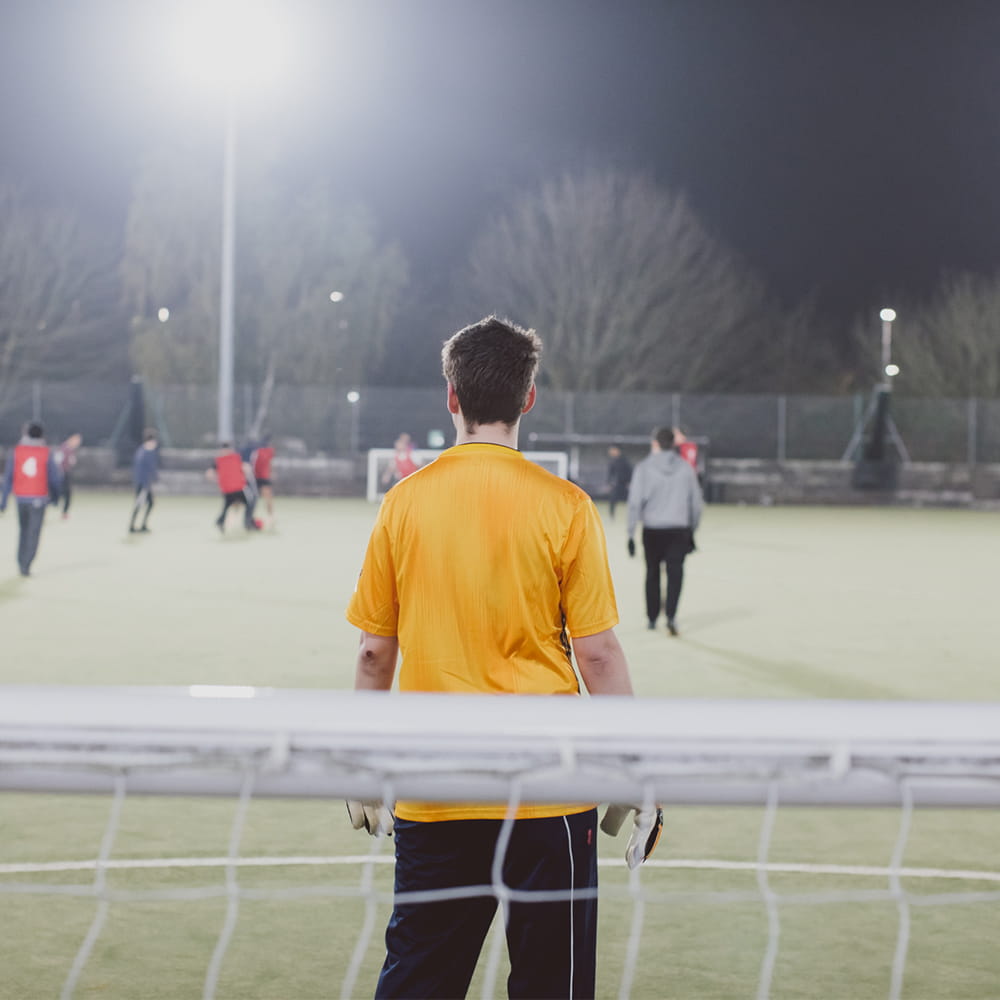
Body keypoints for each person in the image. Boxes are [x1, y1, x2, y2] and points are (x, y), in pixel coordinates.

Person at [346, 315, 649, 1000]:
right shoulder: (566, 506)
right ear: (529, 398)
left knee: (419, 981)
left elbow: (373, 653)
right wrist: (634, 760)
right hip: (549, 790)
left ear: (451, 398)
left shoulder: (404, 502)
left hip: (437, 785)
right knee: (553, 988)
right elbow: (597, 654)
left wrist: (363, 761)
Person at [626, 426, 703, 636]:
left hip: (652, 529)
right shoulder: (686, 469)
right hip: (679, 529)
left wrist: (631, 533)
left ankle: (652, 618)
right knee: (675, 573)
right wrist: (692, 530)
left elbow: (634, 503)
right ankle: (671, 615)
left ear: (656, 442)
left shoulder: (644, 468)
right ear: (674, 443)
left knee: (652, 573)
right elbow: (696, 503)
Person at [0, 422, 62, 576]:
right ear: (41, 435)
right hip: (38, 499)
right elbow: (54, 478)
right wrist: (55, 497)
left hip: (21, 498)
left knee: (23, 531)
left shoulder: (17, 451)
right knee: (34, 533)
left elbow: (8, 478)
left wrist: (4, 501)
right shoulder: (46, 452)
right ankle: (26, 564)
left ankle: (21, 561)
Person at [207, 442, 259, 533]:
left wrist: (219, 481)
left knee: (227, 506)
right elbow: (247, 469)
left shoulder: (218, 461)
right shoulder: (236, 458)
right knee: (250, 502)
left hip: (227, 490)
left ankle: (220, 521)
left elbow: (209, 474)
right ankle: (247, 522)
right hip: (239, 488)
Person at [129, 428, 160, 534]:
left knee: (150, 503)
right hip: (142, 485)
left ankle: (143, 525)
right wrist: (144, 484)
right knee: (139, 504)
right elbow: (140, 471)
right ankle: (132, 526)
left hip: (146, 484)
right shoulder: (143, 453)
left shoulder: (148, 452)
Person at [243, 434, 276, 524]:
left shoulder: (261, 451)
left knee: (261, 498)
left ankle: (270, 517)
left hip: (260, 477)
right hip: (258, 477)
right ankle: (252, 518)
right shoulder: (264, 451)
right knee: (255, 499)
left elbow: (269, 464)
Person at [54, 432, 82, 519]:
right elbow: (57, 461)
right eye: (77, 439)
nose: (78, 442)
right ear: (71, 438)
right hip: (61, 475)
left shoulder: (71, 449)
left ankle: (64, 513)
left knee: (67, 494)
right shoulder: (63, 448)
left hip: (66, 474)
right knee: (60, 493)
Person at [605, 444, 633, 519]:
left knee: (631, 500)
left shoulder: (624, 460)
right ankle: (612, 516)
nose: (611, 452)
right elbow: (610, 473)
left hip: (625, 484)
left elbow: (630, 471)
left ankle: (632, 516)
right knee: (612, 499)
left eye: (613, 450)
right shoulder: (612, 461)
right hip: (617, 485)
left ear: (617, 450)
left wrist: (629, 482)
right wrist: (609, 483)